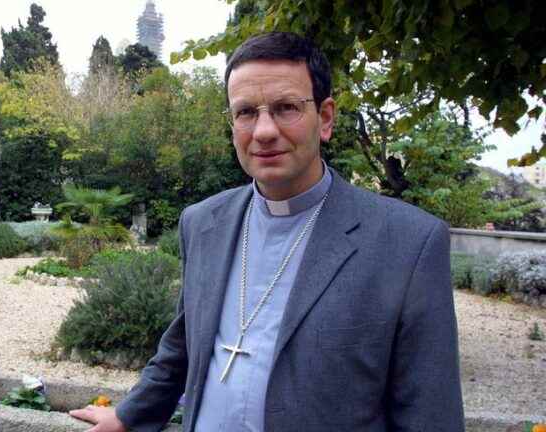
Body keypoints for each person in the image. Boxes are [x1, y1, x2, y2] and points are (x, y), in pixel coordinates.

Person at [69, 32, 464, 432]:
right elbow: (182, 347)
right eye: (245, 113)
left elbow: (430, 413)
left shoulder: (408, 242)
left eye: (286, 108)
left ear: (325, 118)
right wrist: (126, 415)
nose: (263, 131)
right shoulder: (203, 222)